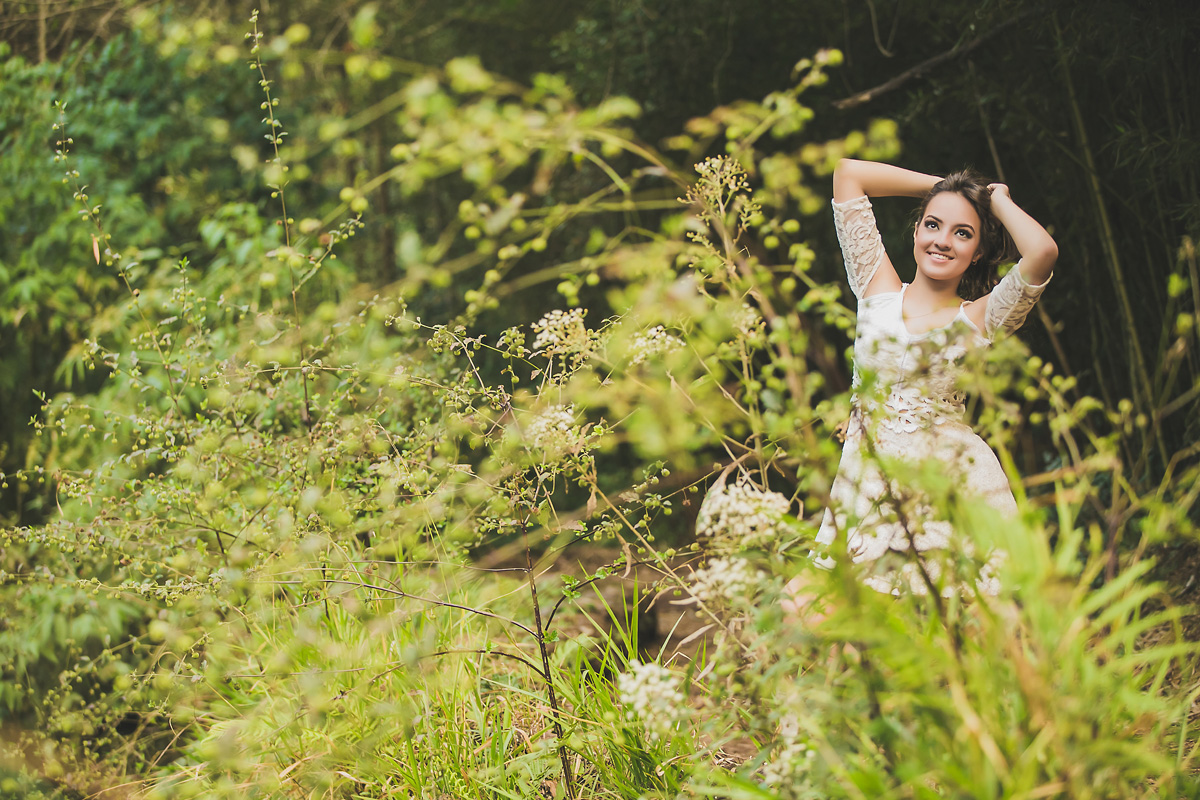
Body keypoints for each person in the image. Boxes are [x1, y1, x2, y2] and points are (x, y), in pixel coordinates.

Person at [785, 158, 1058, 607]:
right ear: (916, 232)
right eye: (933, 225)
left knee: (925, 647)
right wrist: (948, 189)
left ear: (977, 252)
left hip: (943, 498)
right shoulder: (876, 292)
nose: (943, 241)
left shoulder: (980, 320)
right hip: (863, 494)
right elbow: (847, 173)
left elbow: (1042, 253)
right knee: (801, 614)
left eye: (963, 233)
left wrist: (992, 200)